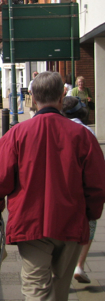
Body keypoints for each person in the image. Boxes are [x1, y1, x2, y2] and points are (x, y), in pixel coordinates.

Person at [0, 72, 105, 301]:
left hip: (31, 225)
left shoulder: (17, 134)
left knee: (36, 290)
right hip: (71, 222)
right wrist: (90, 215)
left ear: (33, 96)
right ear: (62, 96)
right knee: (60, 290)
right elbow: (97, 185)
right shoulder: (83, 136)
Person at [61, 96, 97, 284]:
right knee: (89, 227)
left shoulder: (52, 127)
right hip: (79, 194)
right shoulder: (87, 132)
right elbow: (96, 168)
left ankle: (59, 271)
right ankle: (79, 265)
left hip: (56, 193)